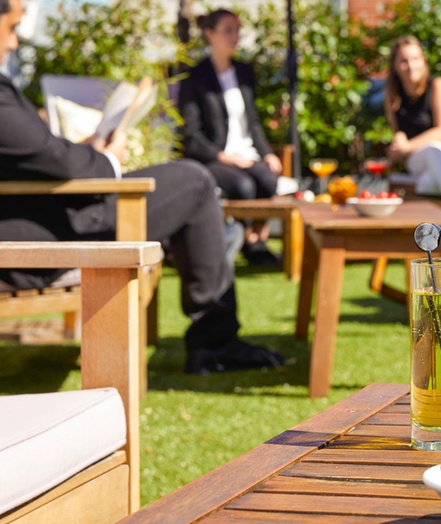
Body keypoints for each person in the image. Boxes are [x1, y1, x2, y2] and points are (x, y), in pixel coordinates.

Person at [0, 0, 285, 375]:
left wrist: (84, 150)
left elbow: (33, 153)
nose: (14, 43)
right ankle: (215, 343)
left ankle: (215, 338)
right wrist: (108, 160)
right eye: (11, 27)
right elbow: (50, 159)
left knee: (199, 181)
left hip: (47, 214)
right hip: (47, 233)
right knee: (195, 180)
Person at [178, 8, 294, 266]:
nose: (235, 36)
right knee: (244, 186)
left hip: (247, 154)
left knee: (269, 181)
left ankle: (255, 238)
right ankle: (248, 242)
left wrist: (267, 153)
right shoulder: (194, 78)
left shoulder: (243, 73)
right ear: (210, 34)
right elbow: (190, 135)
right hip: (213, 158)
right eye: (228, 30)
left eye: (237, 30)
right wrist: (224, 157)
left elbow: (252, 122)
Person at [384, 35, 441, 195]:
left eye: (415, 58)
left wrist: (406, 147)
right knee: (432, 153)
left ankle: (433, 217)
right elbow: (398, 133)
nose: (411, 65)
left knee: (428, 180)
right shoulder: (392, 96)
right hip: (420, 157)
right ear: (394, 65)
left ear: (423, 61)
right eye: (404, 61)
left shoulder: (437, 86)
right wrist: (398, 143)